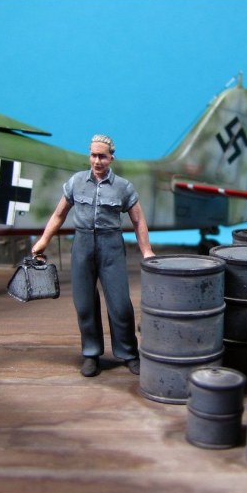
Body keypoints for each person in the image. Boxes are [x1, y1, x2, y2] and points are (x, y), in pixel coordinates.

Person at [32, 134, 155, 377]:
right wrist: (44, 240)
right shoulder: (76, 182)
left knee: (120, 305)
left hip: (111, 247)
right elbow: (59, 214)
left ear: (111, 159)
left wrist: (147, 250)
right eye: (93, 155)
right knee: (85, 304)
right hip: (82, 245)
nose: (97, 161)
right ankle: (91, 353)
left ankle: (129, 353)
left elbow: (138, 220)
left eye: (102, 156)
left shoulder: (123, 187)